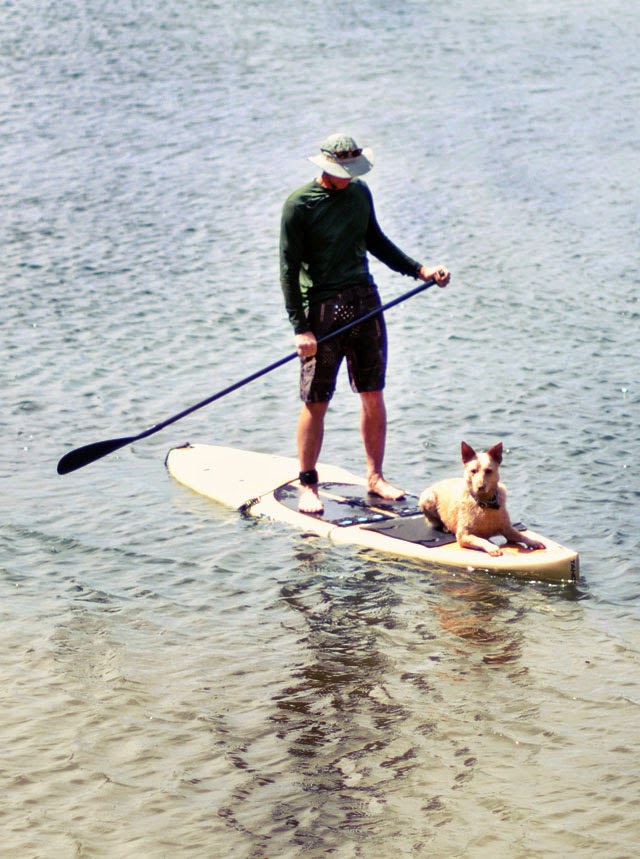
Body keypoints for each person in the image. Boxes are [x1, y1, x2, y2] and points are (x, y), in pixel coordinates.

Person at [280, 132, 450, 513]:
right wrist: (300, 329)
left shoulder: (360, 194)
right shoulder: (298, 207)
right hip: (323, 311)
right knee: (316, 399)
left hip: (365, 302)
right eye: (344, 172)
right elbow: (288, 273)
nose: (350, 178)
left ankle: (375, 476)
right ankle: (308, 484)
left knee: (373, 392)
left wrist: (420, 270)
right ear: (326, 168)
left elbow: (376, 241)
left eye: (353, 171)